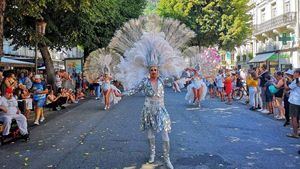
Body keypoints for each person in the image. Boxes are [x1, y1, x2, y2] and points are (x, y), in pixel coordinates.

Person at [124, 65, 174, 169]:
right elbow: (134, 90)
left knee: (165, 133)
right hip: (148, 109)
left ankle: (166, 158)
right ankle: (152, 154)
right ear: (149, 71)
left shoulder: (162, 80)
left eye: (155, 70)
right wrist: (121, 94)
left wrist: (187, 71)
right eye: (151, 70)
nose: (153, 71)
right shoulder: (145, 82)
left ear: (158, 71)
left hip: (161, 109)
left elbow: (174, 78)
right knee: (150, 133)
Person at [285, 68, 300, 139]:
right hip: (298, 101)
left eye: (294, 73)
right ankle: (298, 132)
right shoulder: (296, 81)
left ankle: (295, 133)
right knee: (298, 118)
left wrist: (284, 82)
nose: (293, 74)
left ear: (298, 73)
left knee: (294, 118)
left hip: (294, 101)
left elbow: (287, 88)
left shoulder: (297, 80)